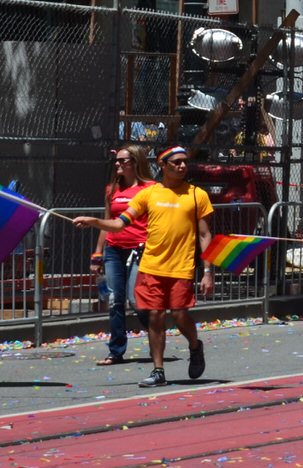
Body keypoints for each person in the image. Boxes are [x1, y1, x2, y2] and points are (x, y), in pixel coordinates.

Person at [74, 145, 214, 388]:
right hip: (151, 267)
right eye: (176, 162)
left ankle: (195, 345)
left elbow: (204, 234)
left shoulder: (197, 195)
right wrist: (93, 221)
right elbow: (119, 224)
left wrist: (208, 272)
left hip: (181, 267)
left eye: (185, 162)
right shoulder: (149, 194)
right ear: (163, 165)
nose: (182, 166)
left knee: (180, 315)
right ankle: (158, 371)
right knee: (155, 317)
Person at [91, 146, 155, 365]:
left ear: (135, 162)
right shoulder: (112, 190)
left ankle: (156, 335)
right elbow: (107, 222)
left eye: (122, 160)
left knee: (135, 299)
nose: (117, 164)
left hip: (140, 249)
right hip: (114, 250)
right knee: (114, 300)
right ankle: (116, 351)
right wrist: (97, 254)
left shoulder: (151, 189)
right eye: (116, 161)